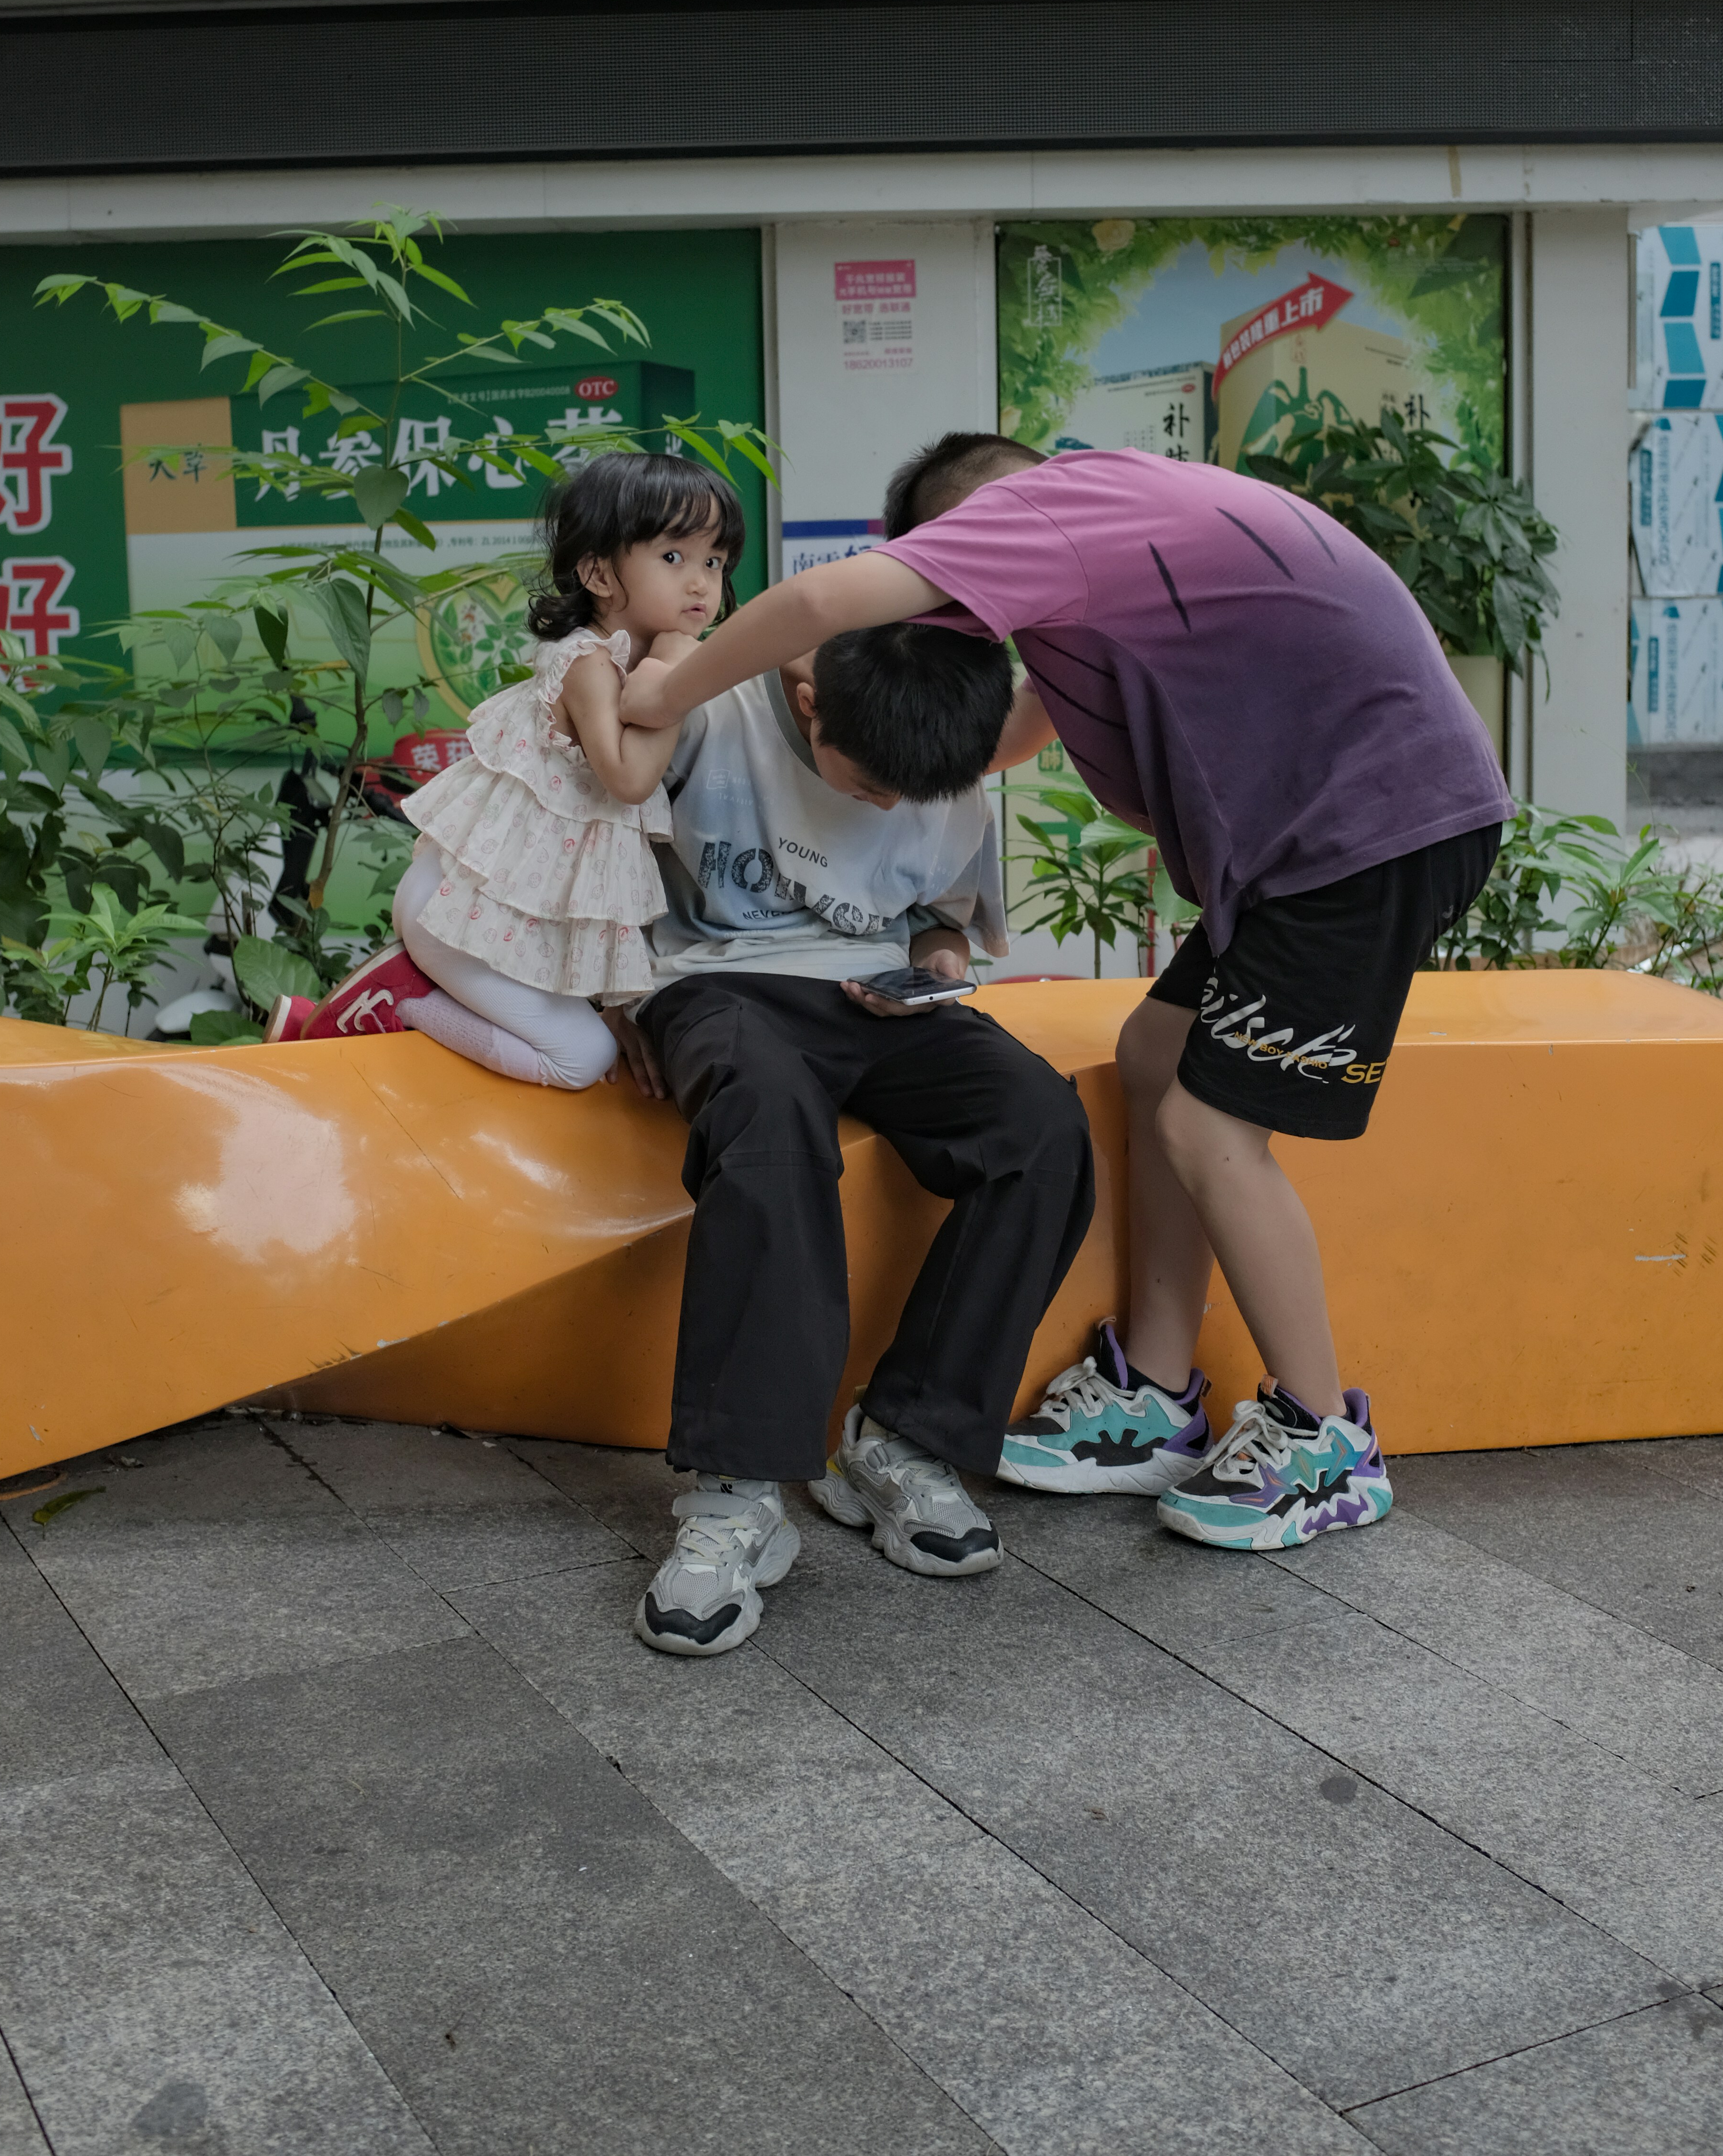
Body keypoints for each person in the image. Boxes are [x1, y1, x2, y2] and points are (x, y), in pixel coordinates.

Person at [619, 434, 1511, 1553]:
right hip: (1304, 849)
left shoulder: (1039, 514)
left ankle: (1324, 1436)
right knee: (1153, 1054)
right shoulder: (1125, 533)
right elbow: (1016, 726)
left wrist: (667, 684)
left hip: (1365, 840)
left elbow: (820, 595)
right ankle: (1153, 1388)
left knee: (1206, 1123)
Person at [610, 619, 1096, 1657]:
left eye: (909, 791)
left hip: (879, 996)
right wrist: (607, 1000)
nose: (887, 802)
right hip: (717, 982)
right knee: (771, 1121)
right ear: (806, 703)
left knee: (1040, 1124)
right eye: (869, 780)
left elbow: (938, 918)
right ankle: (737, 1494)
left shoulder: (941, 744)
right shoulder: (714, 708)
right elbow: (593, 854)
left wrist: (934, 961)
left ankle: (903, 1439)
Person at [290, 451, 739, 1081]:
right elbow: (630, 780)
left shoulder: (625, 660)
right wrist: (672, 673)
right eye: (674, 558)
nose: (701, 583)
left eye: (714, 561)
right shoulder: (590, 662)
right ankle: (403, 1004)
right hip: (452, 913)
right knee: (582, 1060)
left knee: (593, 1043)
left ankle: (379, 1005)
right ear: (599, 574)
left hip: (479, 916)